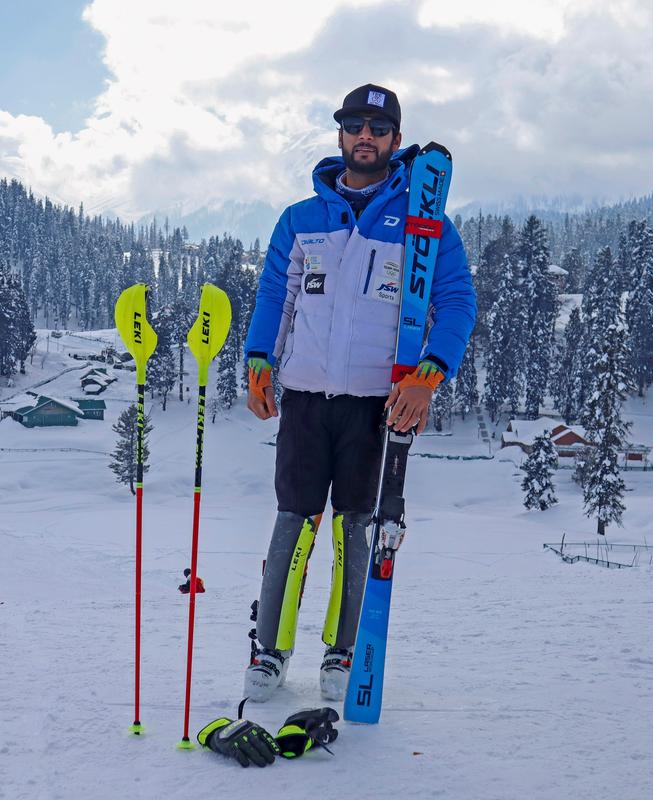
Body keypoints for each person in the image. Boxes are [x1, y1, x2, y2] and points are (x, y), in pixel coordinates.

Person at [240, 84, 476, 702]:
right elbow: (275, 295)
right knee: (294, 520)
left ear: (396, 140)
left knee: (356, 526)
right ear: (340, 134)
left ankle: (341, 652)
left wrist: (429, 376)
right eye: (353, 125)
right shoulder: (301, 219)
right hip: (307, 397)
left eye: (378, 126)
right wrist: (259, 358)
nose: (364, 136)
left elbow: (455, 303)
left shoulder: (425, 226)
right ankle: (269, 650)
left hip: (377, 404)